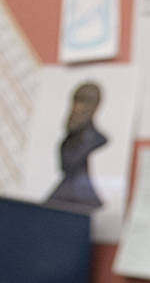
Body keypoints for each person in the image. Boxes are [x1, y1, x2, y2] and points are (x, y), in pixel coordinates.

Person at [44, 80, 107, 212]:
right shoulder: (70, 137)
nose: (77, 107)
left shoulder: (96, 139)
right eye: (76, 101)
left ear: (94, 106)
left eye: (83, 101)